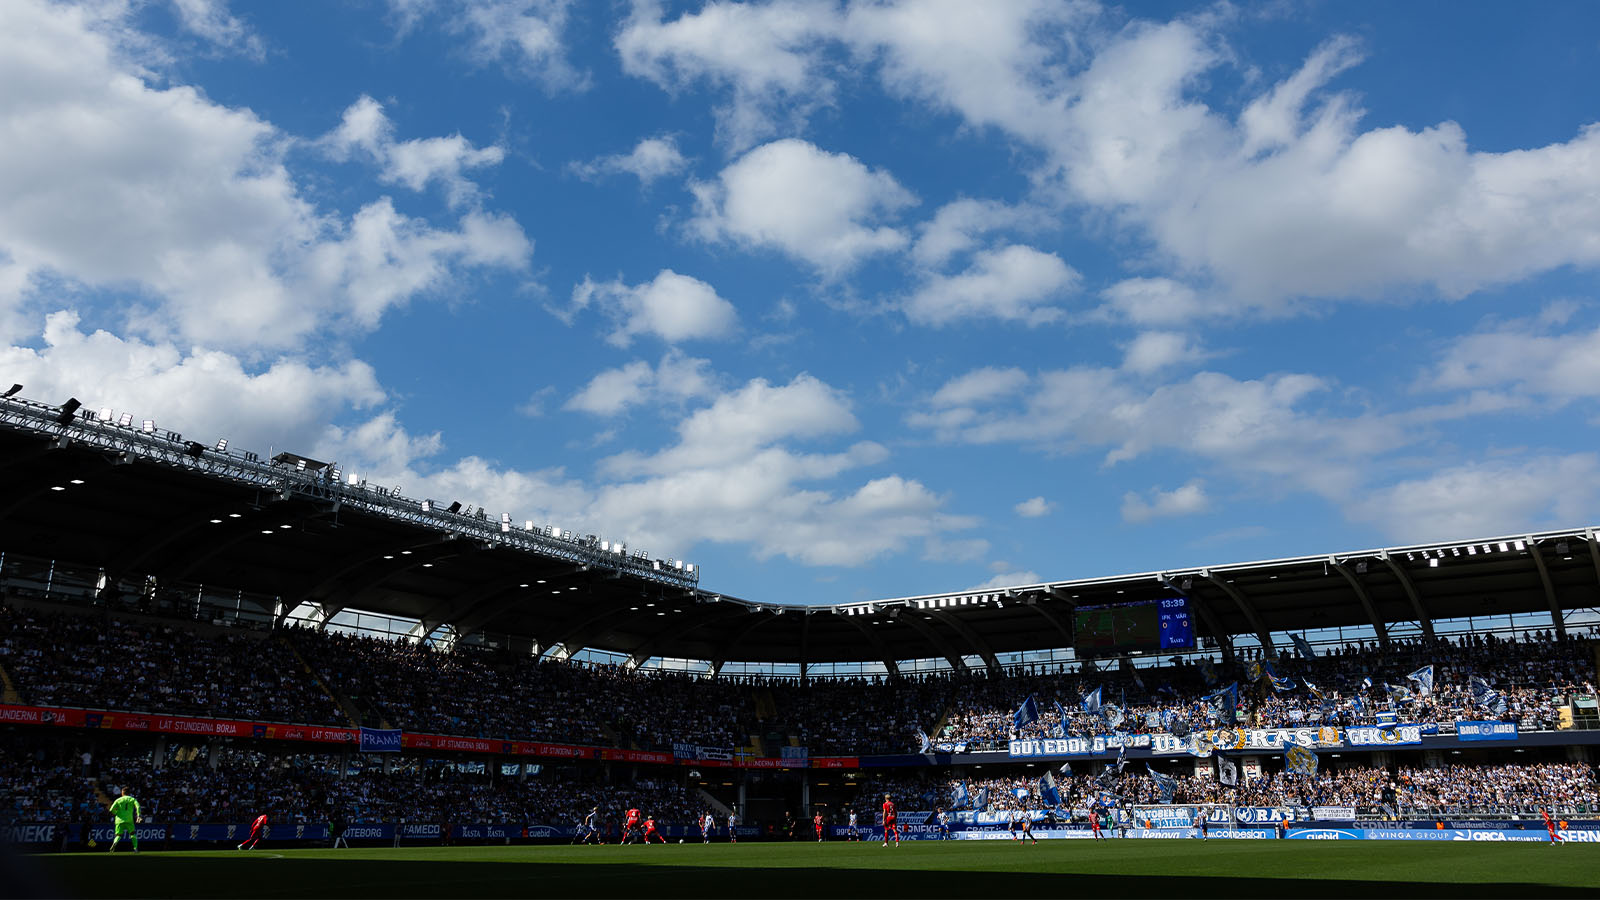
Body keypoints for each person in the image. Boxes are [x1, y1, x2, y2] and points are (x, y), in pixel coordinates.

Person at [107, 787, 141, 853]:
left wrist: (116, 813)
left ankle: (115, 843)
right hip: (129, 820)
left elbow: (111, 810)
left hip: (119, 820)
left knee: (118, 835)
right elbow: (138, 806)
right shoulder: (132, 799)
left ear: (122, 793)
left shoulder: (118, 800)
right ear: (129, 793)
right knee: (132, 834)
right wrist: (138, 815)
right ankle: (135, 848)